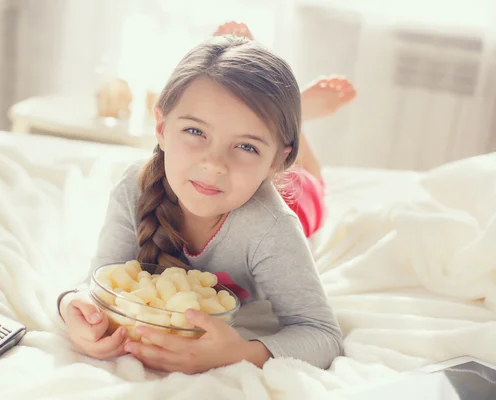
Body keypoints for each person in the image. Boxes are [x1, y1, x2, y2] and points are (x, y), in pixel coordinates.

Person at [57, 34, 344, 374]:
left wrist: (239, 354)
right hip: (256, 175)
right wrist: (72, 306)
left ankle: (297, 128)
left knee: (312, 182)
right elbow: (98, 281)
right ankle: (266, 116)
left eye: (247, 146)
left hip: (298, 196)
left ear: (275, 161)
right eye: (196, 131)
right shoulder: (133, 188)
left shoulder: (273, 227)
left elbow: (323, 333)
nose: (214, 164)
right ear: (161, 127)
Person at [214, 21, 356, 237]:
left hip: (296, 197)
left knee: (297, 179)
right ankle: (289, 113)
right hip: (303, 191)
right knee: (308, 177)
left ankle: (288, 113)